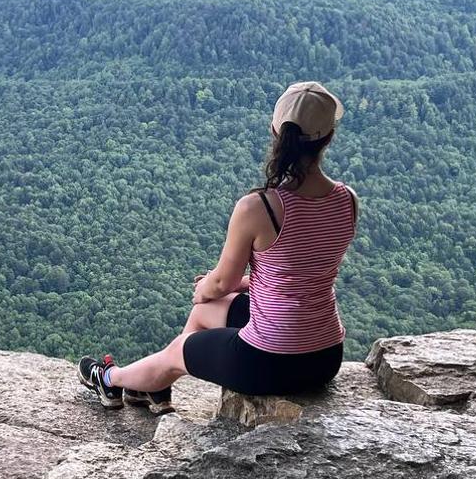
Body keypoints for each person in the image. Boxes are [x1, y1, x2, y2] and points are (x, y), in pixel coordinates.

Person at [78, 81, 358, 414]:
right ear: (328, 136)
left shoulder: (261, 207)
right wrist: (223, 289)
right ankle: (157, 387)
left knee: (182, 343)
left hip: (269, 361)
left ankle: (111, 379)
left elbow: (222, 283)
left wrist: (205, 288)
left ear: (276, 131)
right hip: (326, 356)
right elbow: (298, 274)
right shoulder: (347, 200)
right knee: (203, 314)